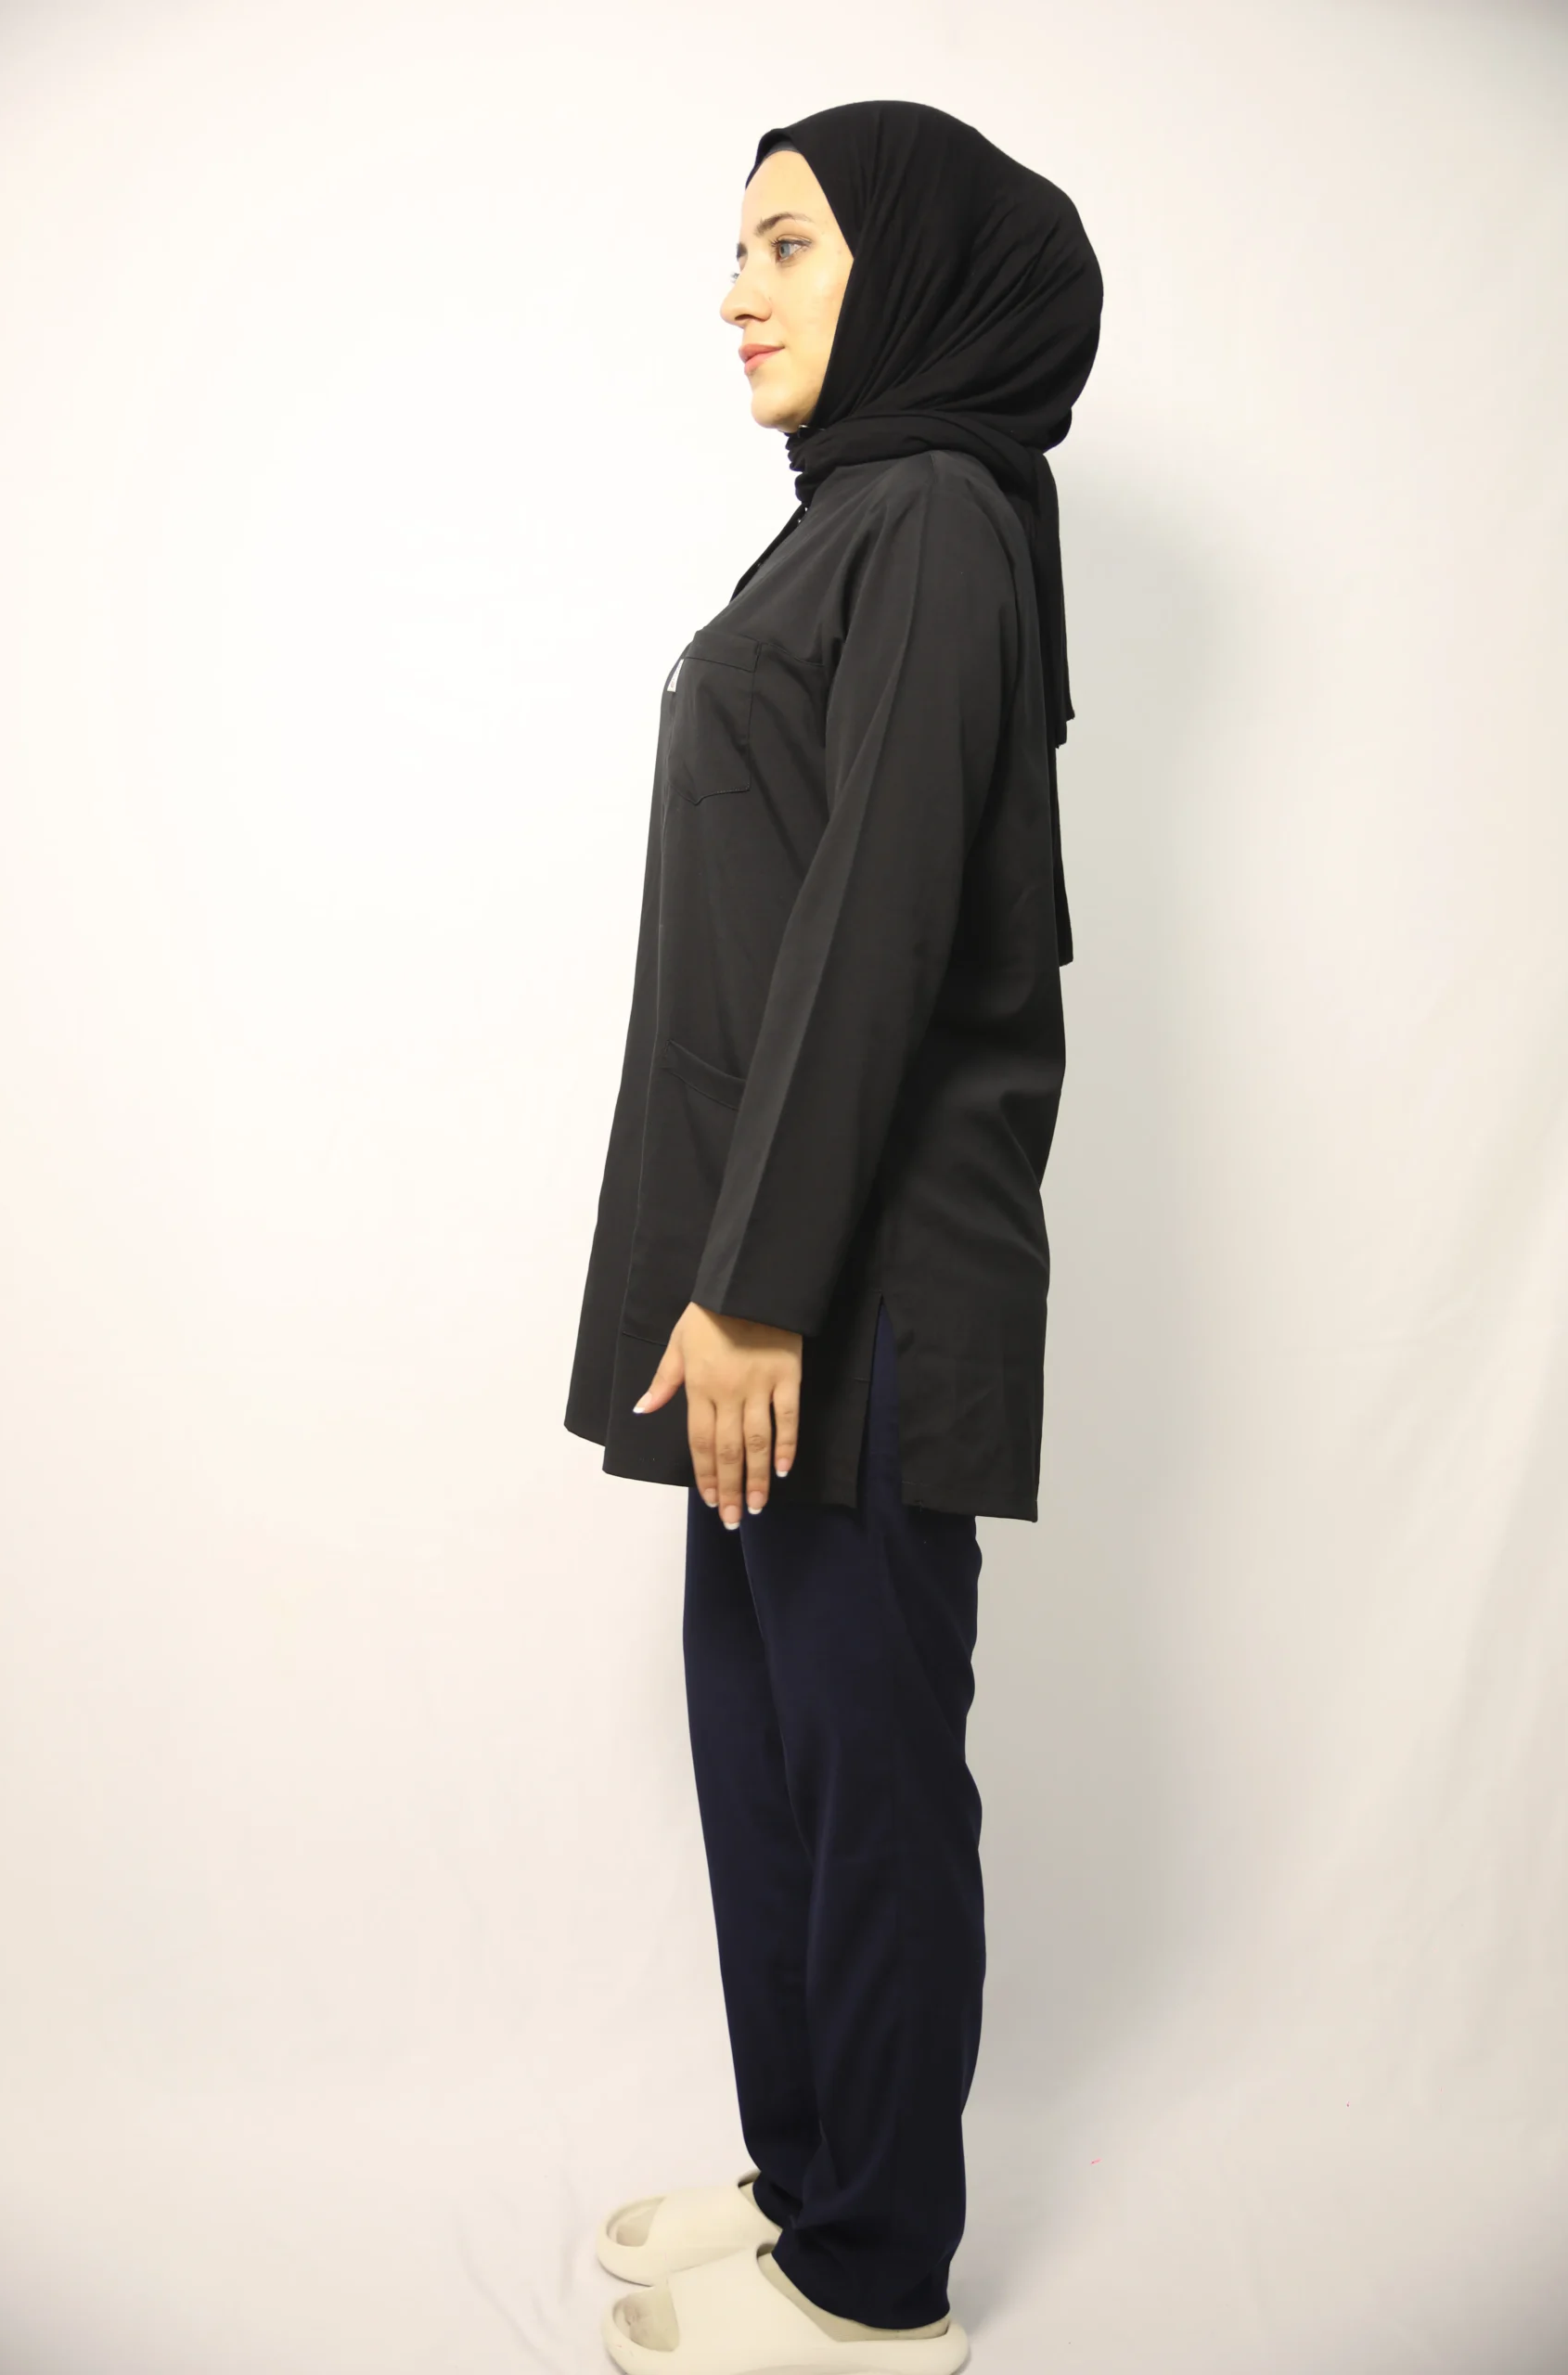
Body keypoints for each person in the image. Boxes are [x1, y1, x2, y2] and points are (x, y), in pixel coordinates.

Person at [564, 98, 1102, 2375]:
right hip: (767, 1291)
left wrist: (764, 1285)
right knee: (768, 1750)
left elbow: (881, 925)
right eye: (738, 246)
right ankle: (808, 2184)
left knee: (866, 1780)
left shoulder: (941, 522)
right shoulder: (849, 524)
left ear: (914, 270)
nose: (736, 290)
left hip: (853, 1295)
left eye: (786, 243)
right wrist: (719, 1286)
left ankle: (879, 2282)